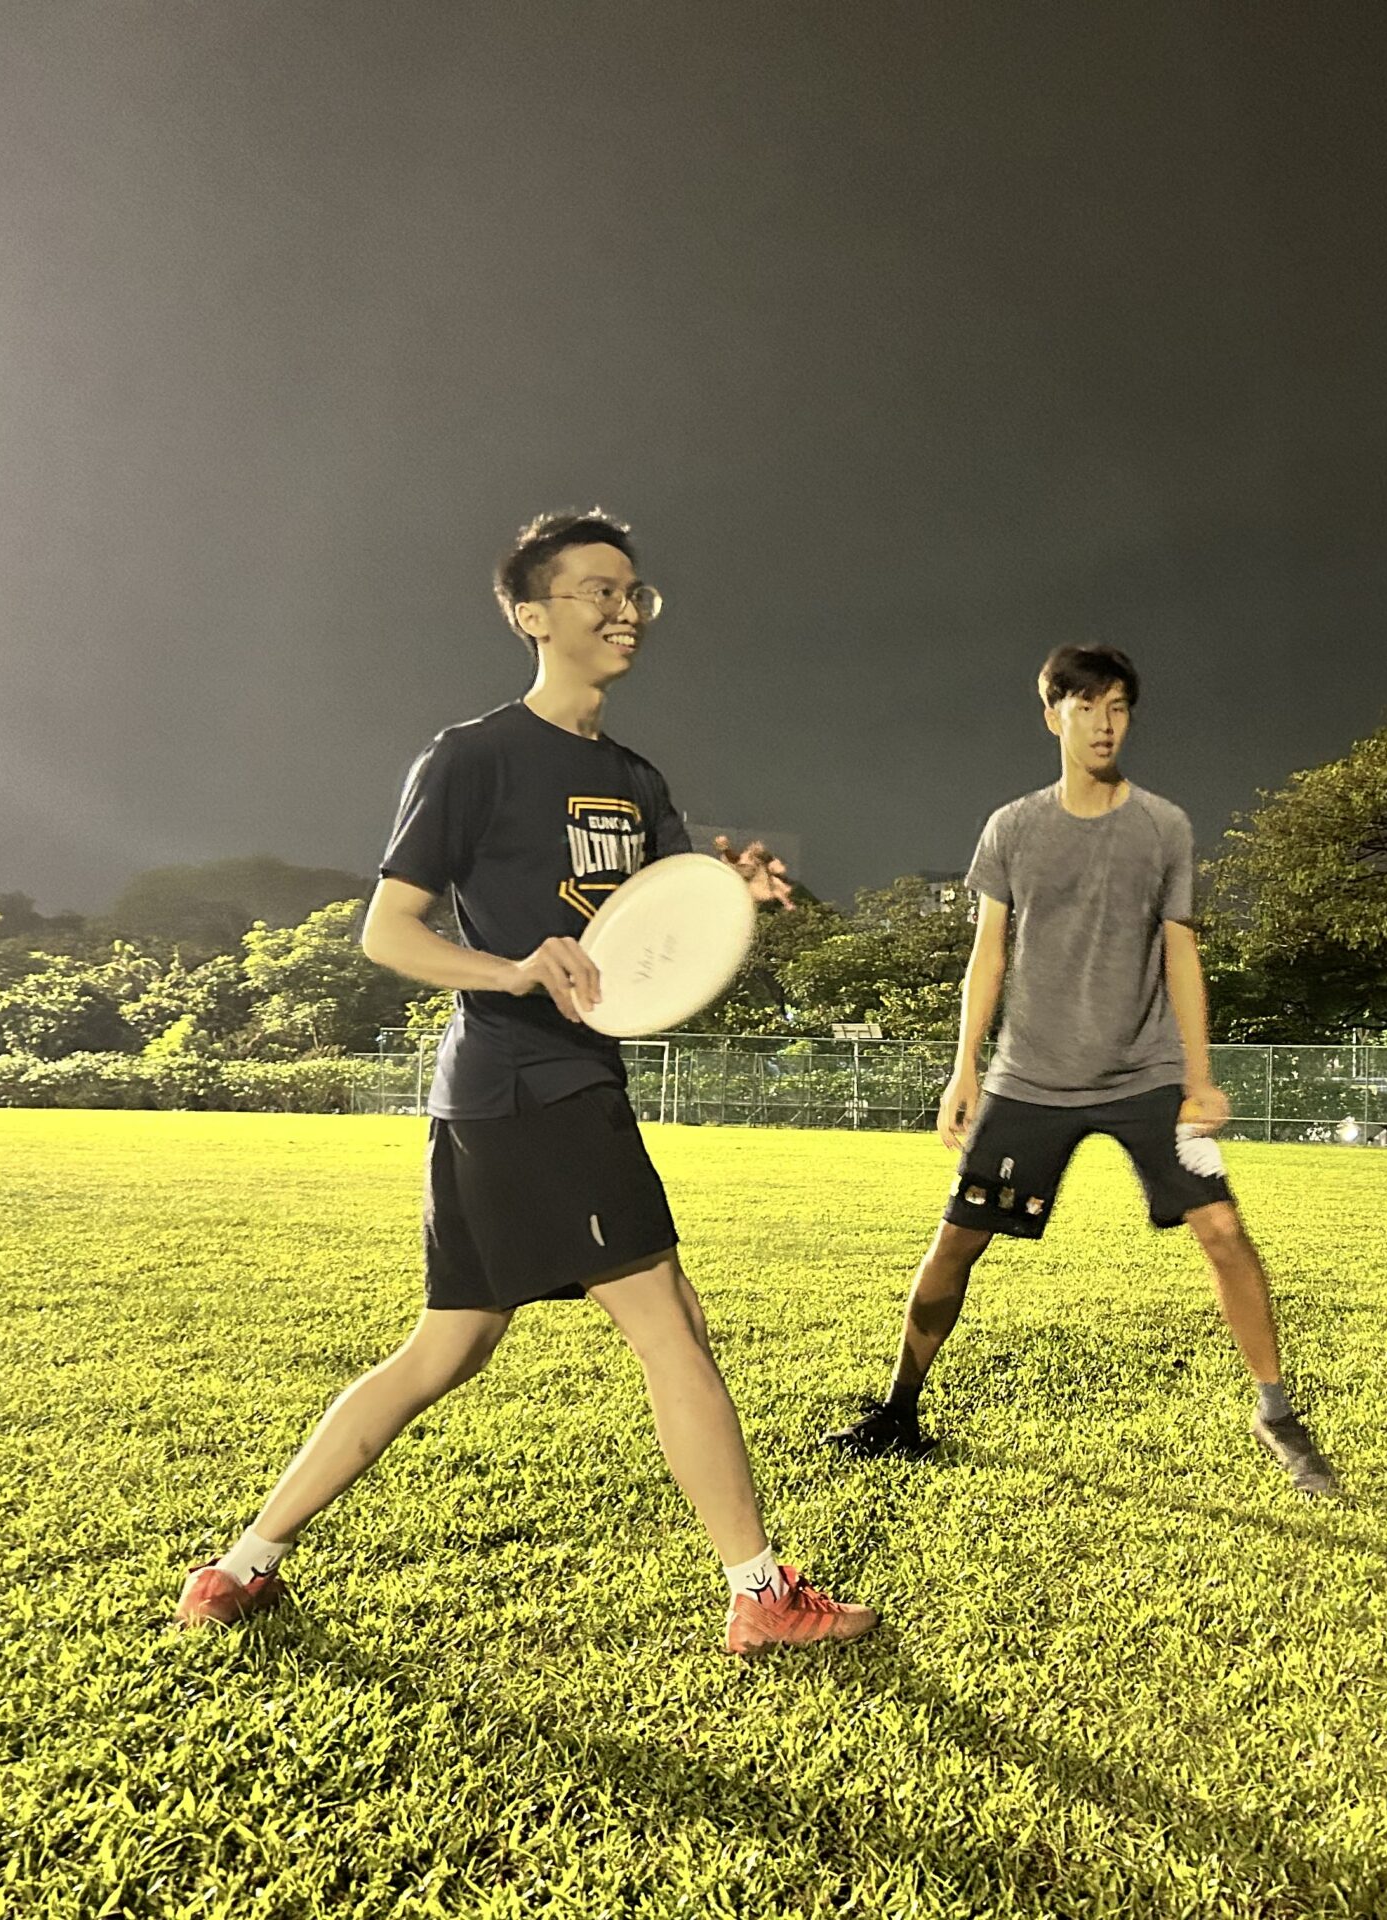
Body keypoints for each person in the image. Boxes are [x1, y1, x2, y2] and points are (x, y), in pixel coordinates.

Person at [174, 508, 879, 1654]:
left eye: (635, 592)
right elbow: (388, 932)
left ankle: (240, 1566)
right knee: (670, 1325)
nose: (624, 610)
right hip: (528, 1079)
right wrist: (511, 968)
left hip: (534, 1089)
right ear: (530, 615)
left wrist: (733, 891)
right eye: (598, 590)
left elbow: (661, 923)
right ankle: (759, 1595)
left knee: (447, 1345)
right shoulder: (473, 756)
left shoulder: (636, 779)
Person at [823, 644, 1339, 1497]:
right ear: (1052, 715)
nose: (1105, 723)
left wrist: (1200, 1075)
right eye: (1088, 706)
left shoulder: (1163, 827)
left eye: (1119, 707)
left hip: (1147, 1074)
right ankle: (898, 1410)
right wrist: (965, 1071)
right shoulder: (1012, 827)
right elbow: (988, 956)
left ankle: (1276, 1414)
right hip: (1030, 1078)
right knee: (956, 1244)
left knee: (1222, 1230)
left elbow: (1181, 955)